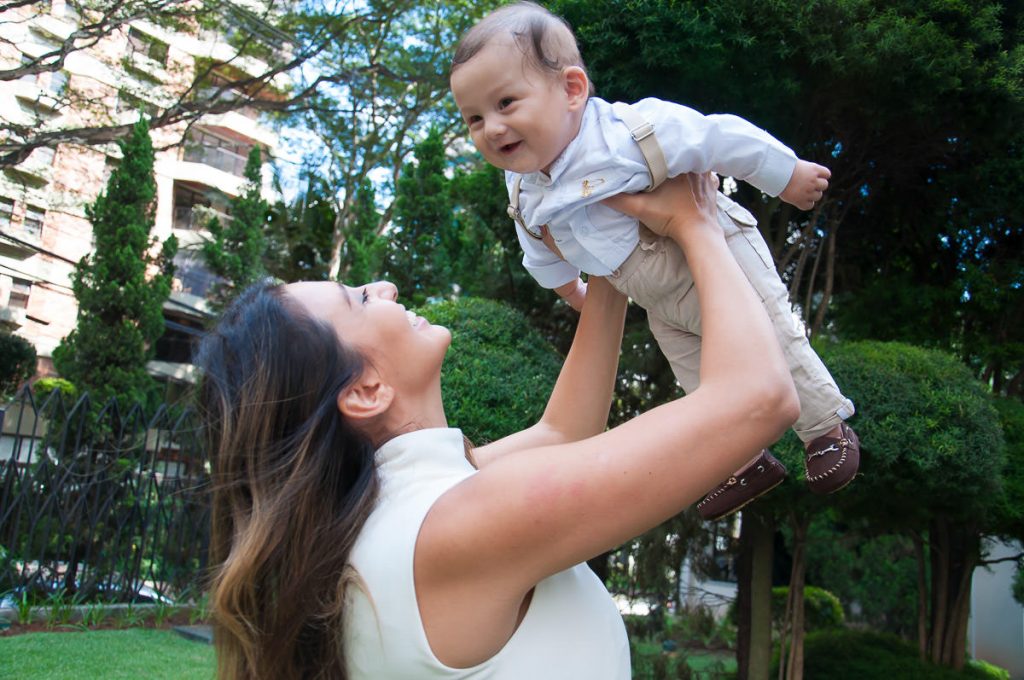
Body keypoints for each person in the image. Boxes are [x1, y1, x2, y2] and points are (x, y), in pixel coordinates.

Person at [195, 172, 798, 679]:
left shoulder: (413, 511)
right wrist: (695, 221)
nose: (384, 286)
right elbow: (758, 397)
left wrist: (606, 255)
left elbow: (562, 434)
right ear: (365, 391)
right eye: (359, 299)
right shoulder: (453, 526)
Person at [449, 1, 861, 520]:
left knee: (771, 330)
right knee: (696, 368)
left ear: (572, 90)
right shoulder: (524, 191)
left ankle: (825, 428)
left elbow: (718, 136)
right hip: (649, 289)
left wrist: (786, 174)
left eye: (506, 103)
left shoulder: (626, 132)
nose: (491, 128)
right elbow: (539, 248)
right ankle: (742, 459)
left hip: (715, 250)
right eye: (475, 118)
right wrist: (570, 290)